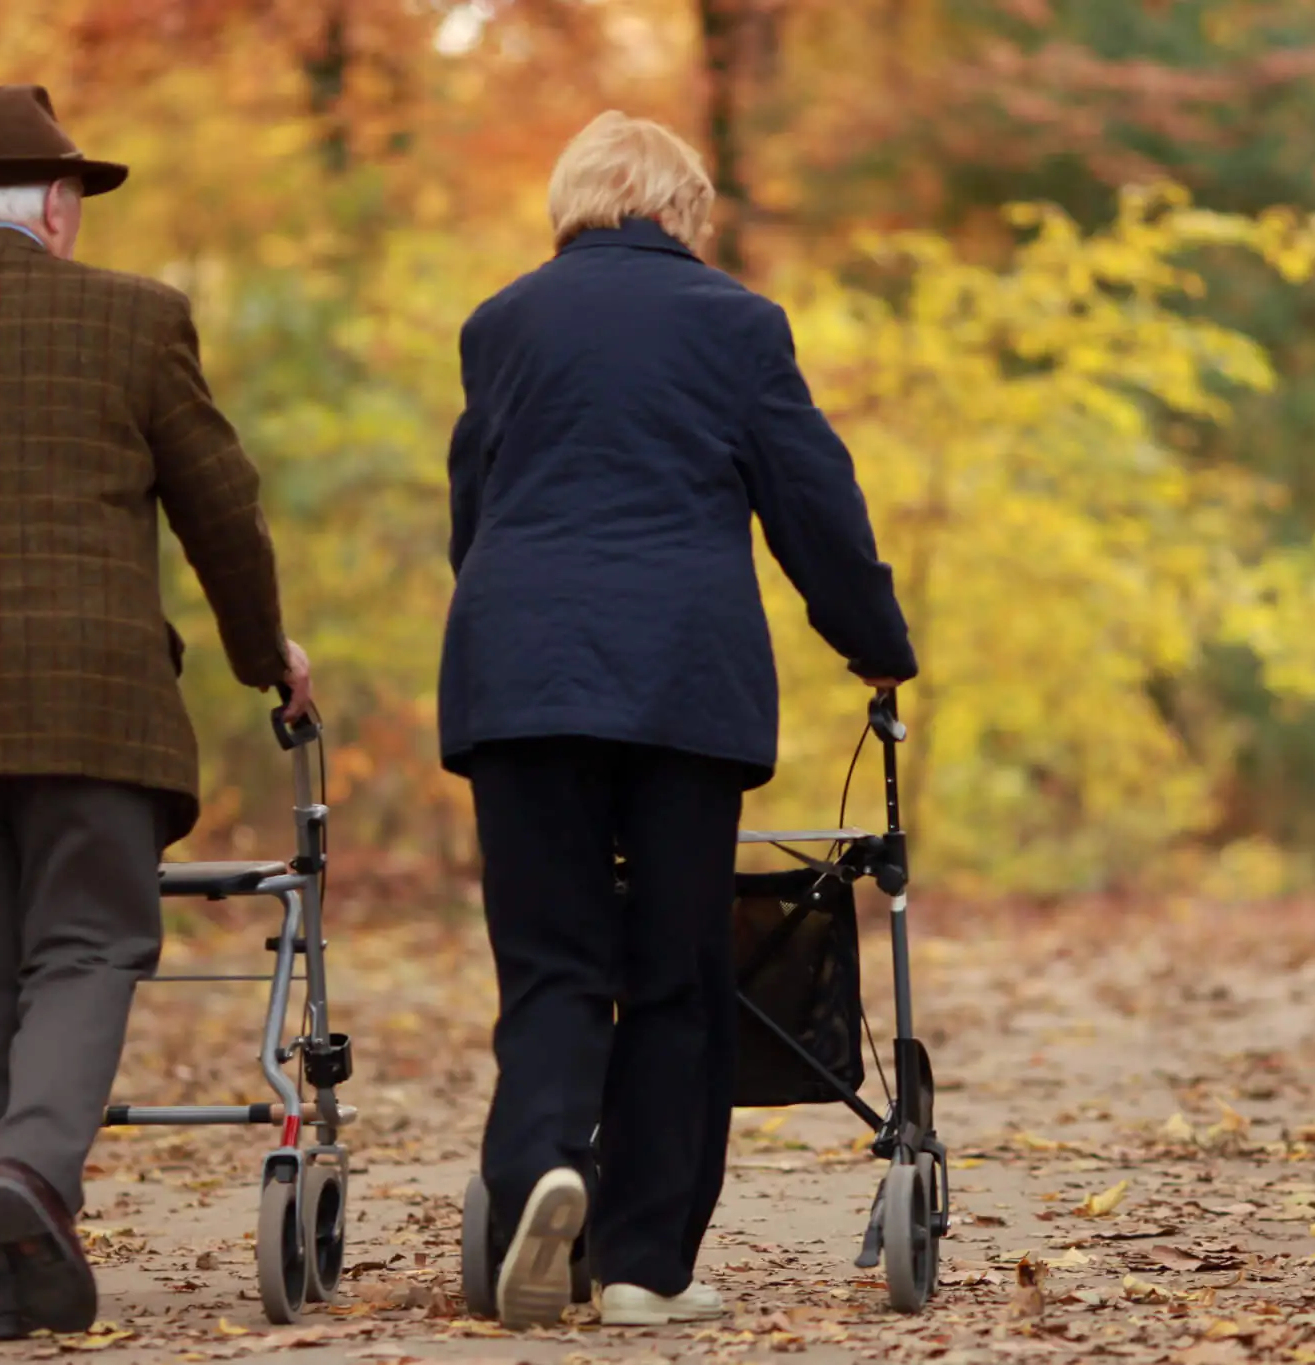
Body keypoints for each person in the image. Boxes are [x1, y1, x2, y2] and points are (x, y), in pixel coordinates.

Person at [0, 84, 313, 1341]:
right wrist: (264, 659)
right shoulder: (136, 322)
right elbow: (221, 510)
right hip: (93, 710)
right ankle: (32, 1168)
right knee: (85, 946)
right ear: (55, 207)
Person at [439, 110, 918, 1330]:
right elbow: (810, 493)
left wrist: (514, 648)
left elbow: (475, 507)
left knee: (548, 963)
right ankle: (645, 1265)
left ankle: (543, 1163)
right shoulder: (737, 324)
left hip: (522, 678)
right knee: (673, 975)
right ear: (676, 210)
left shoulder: (500, 324)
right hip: (676, 687)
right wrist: (871, 639)